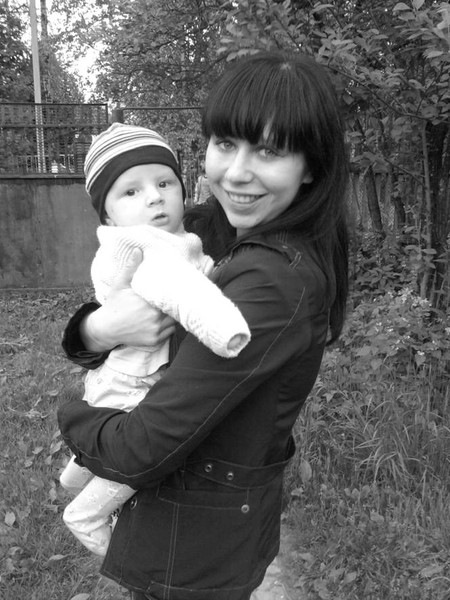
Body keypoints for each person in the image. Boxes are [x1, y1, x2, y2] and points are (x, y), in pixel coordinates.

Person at [58, 50, 349, 600]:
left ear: (310, 165)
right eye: (225, 144)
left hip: (192, 542)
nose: (237, 173)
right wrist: (97, 331)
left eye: (270, 151)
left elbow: (140, 446)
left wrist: (69, 415)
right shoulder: (210, 228)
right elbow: (107, 309)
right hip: (189, 517)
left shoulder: (272, 279)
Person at [59, 122, 250, 557]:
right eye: (131, 191)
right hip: (132, 386)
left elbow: (198, 268)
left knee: (106, 438)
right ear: (107, 215)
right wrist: (226, 328)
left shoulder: (174, 237)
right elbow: (180, 288)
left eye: (164, 183)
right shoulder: (143, 246)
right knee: (132, 460)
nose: (154, 197)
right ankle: (88, 520)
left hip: (127, 375)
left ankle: (72, 475)